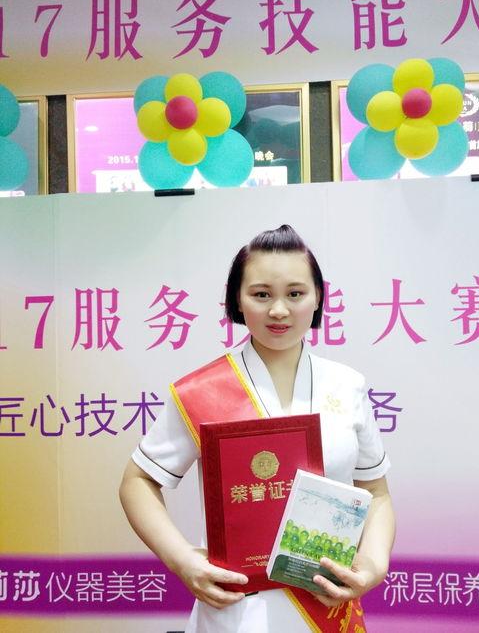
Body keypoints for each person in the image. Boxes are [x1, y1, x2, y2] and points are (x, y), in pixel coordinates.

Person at [119, 224, 395, 632]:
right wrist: (182, 560)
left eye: (295, 294)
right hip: (236, 610)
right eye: (261, 294)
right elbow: (138, 481)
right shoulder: (202, 391)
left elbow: (376, 493)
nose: (279, 310)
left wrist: (372, 565)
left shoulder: (346, 385)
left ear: (318, 297)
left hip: (327, 605)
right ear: (237, 299)